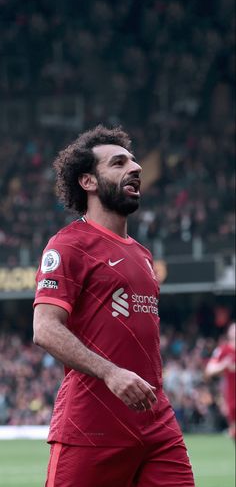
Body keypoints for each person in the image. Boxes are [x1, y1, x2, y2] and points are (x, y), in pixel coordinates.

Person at [33, 125, 195, 487]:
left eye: (135, 162)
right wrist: (111, 372)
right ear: (88, 181)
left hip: (156, 423)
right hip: (92, 424)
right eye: (119, 162)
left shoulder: (143, 255)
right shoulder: (69, 245)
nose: (135, 168)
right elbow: (45, 328)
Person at [205, 322, 236, 440]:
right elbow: (209, 370)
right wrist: (224, 365)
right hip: (231, 398)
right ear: (229, 333)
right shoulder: (223, 350)